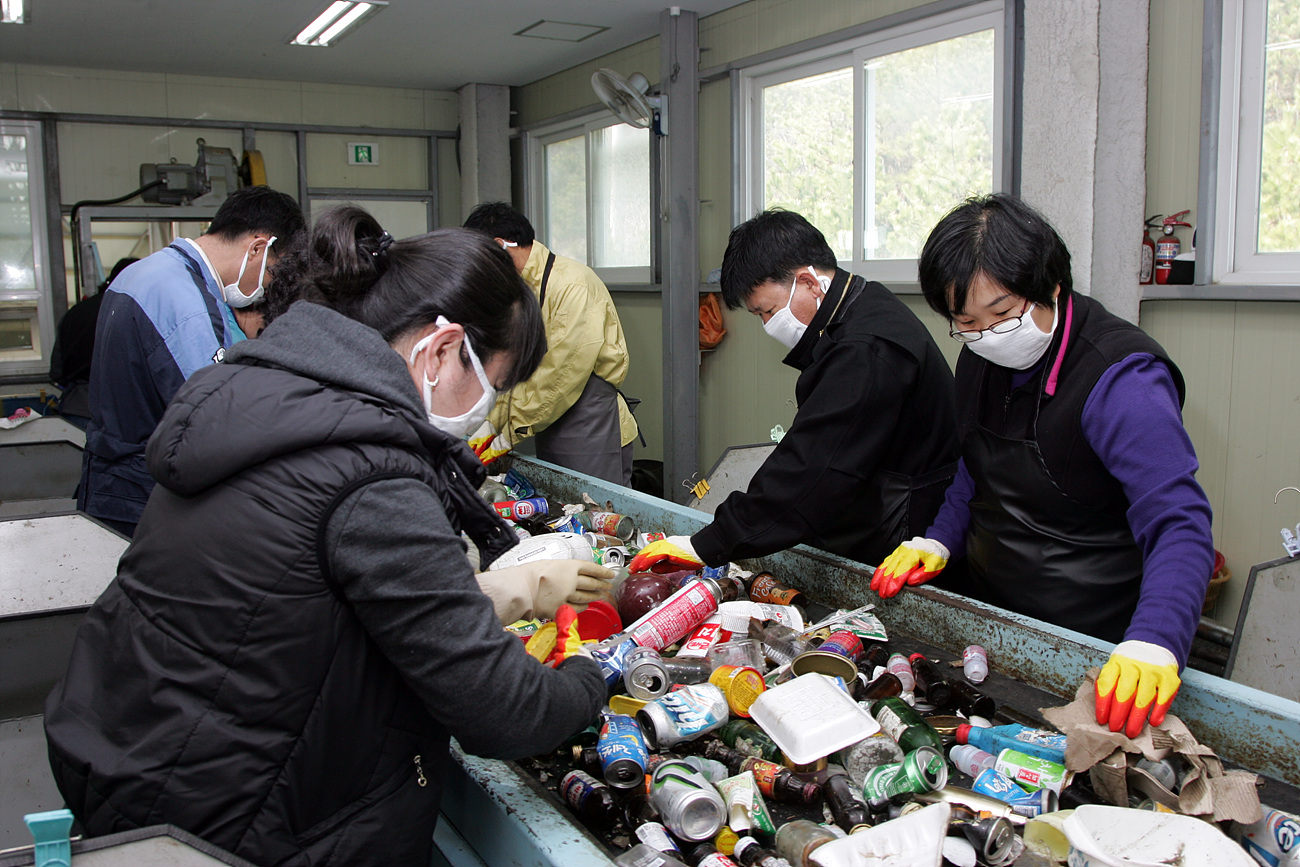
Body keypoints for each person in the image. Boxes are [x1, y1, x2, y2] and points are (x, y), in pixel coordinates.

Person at [44, 207, 608, 867]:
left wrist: (491, 592)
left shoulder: (263, 398)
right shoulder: (372, 472)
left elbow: (300, 593)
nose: (485, 406)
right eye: (493, 383)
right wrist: (588, 676)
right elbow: (502, 710)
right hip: (237, 819)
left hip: (134, 761)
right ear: (441, 347)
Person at [872, 193, 1214, 739]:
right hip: (998, 622)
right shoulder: (982, 355)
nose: (987, 335)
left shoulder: (1122, 380)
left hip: (1096, 642)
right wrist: (938, 540)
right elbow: (975, 464)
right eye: (966, 323)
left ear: (1051, 285)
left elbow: (1180, 522)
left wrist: (1155, 638)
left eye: (1003, 313)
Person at [630, 209, 960, 573]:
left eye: (767, 311)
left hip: (903, 528)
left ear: (808, 281)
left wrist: (709, 543)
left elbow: (812, 467)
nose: (768, 325)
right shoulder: (861, 303)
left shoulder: (866, 349)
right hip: (884, 504)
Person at [78, 186, 305, 536]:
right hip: (140, 494)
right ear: (258, 247)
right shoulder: (185, 301)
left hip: (113, 476)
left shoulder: (148, 271)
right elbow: (214, 420)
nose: (267, 288)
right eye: (273, 272)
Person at [462, 202, 638, 485]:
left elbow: (562, 373)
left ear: (500, 246)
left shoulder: (572, 284)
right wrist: (491, 424)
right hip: (549, 416)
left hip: (588, 418)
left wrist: (508, 431)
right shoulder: (521, 288)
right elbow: (516, 366)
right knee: (562, 511)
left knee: (597, 515)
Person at [48, 257, 138, 428]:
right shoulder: (137, 312)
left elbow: (56, 372)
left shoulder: (75, 313)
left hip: (76, 411)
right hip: (124, 414)